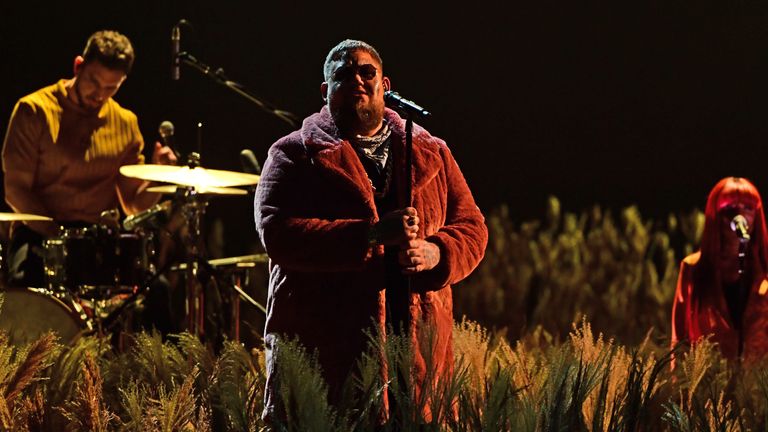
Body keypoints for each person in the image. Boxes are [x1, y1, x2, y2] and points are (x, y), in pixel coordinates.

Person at [254, 39, 488, 421]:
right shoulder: (294, 154)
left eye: (367, 72)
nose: (357, 80)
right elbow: (277, 232)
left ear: (386, 86)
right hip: (328, 357)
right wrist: (373, 234)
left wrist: (436, 252)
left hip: (416, 356)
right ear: (325, 90)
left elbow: (472, 227)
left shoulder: (432, 151)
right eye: (343, 74)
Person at [2, 30, 177, 288]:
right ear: (78, 66)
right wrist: (59, 235)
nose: (100, 94)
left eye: (111, 87)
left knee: (157, 290)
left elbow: (134, 205)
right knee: (26, 290)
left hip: (97, 241)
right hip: (39, 235)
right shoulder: (34, 110)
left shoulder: (125, 123)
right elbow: (15, 190)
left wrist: (161, 175)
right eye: (94, 82)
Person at [671, 177, 768, 363]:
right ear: (715, 216)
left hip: (756, 386)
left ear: (757, 217)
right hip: (710, 383)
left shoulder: (764, 273)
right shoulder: (694, 269)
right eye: (730, 209)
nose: (739, 214)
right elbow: (680, 339)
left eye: (748, 208)